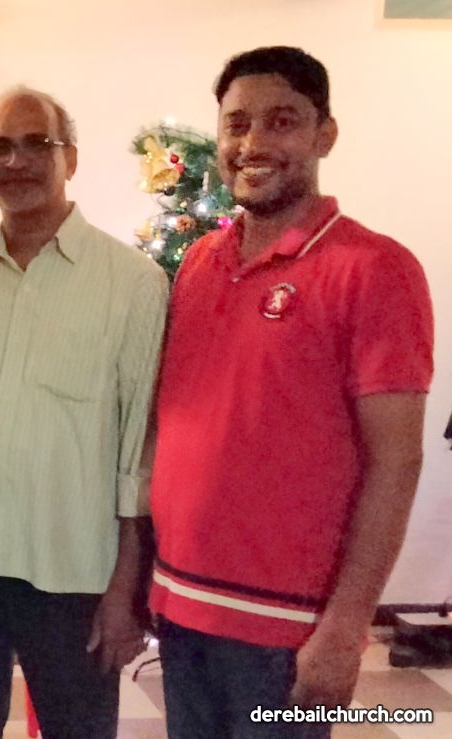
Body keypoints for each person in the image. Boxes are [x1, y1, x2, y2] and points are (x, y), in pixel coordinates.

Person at [149, 46, 434, 738]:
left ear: (324, 135)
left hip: (286, 628)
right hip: (183, 608)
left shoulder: (376, 270)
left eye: (282, 122)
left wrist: (346, 625)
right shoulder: (199, 263)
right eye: (236, 124)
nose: (253, 144)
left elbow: (396, 462)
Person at [0, 88, 168, 738]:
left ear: (72, 159)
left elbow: (138, 452)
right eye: (0, 148)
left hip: (74, 575)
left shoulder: (132, 283)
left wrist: (126, 589)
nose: (17, 161)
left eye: (38, 143)